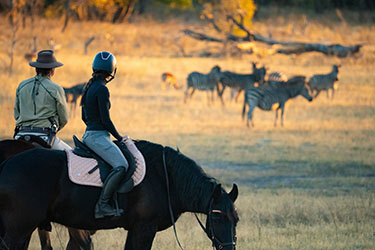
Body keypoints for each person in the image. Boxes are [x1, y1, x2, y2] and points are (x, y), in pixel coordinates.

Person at [80, 51, 129, 219]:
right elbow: (106, 120)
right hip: (98, 137)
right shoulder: (102, 89)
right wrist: (119, 137)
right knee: (122, 165)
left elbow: (83, 117)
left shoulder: (89, 87)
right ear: (111, 71)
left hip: (89, 134)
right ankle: (102, 205)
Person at [14, 49, 71, 150]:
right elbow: (64, 118)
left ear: (36, 68)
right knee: (71, 156)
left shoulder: (22, 85)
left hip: (20, 134)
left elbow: (16, 114)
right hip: (44, 136)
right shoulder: (56, 88)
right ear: (52, 70)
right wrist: (56, 127)